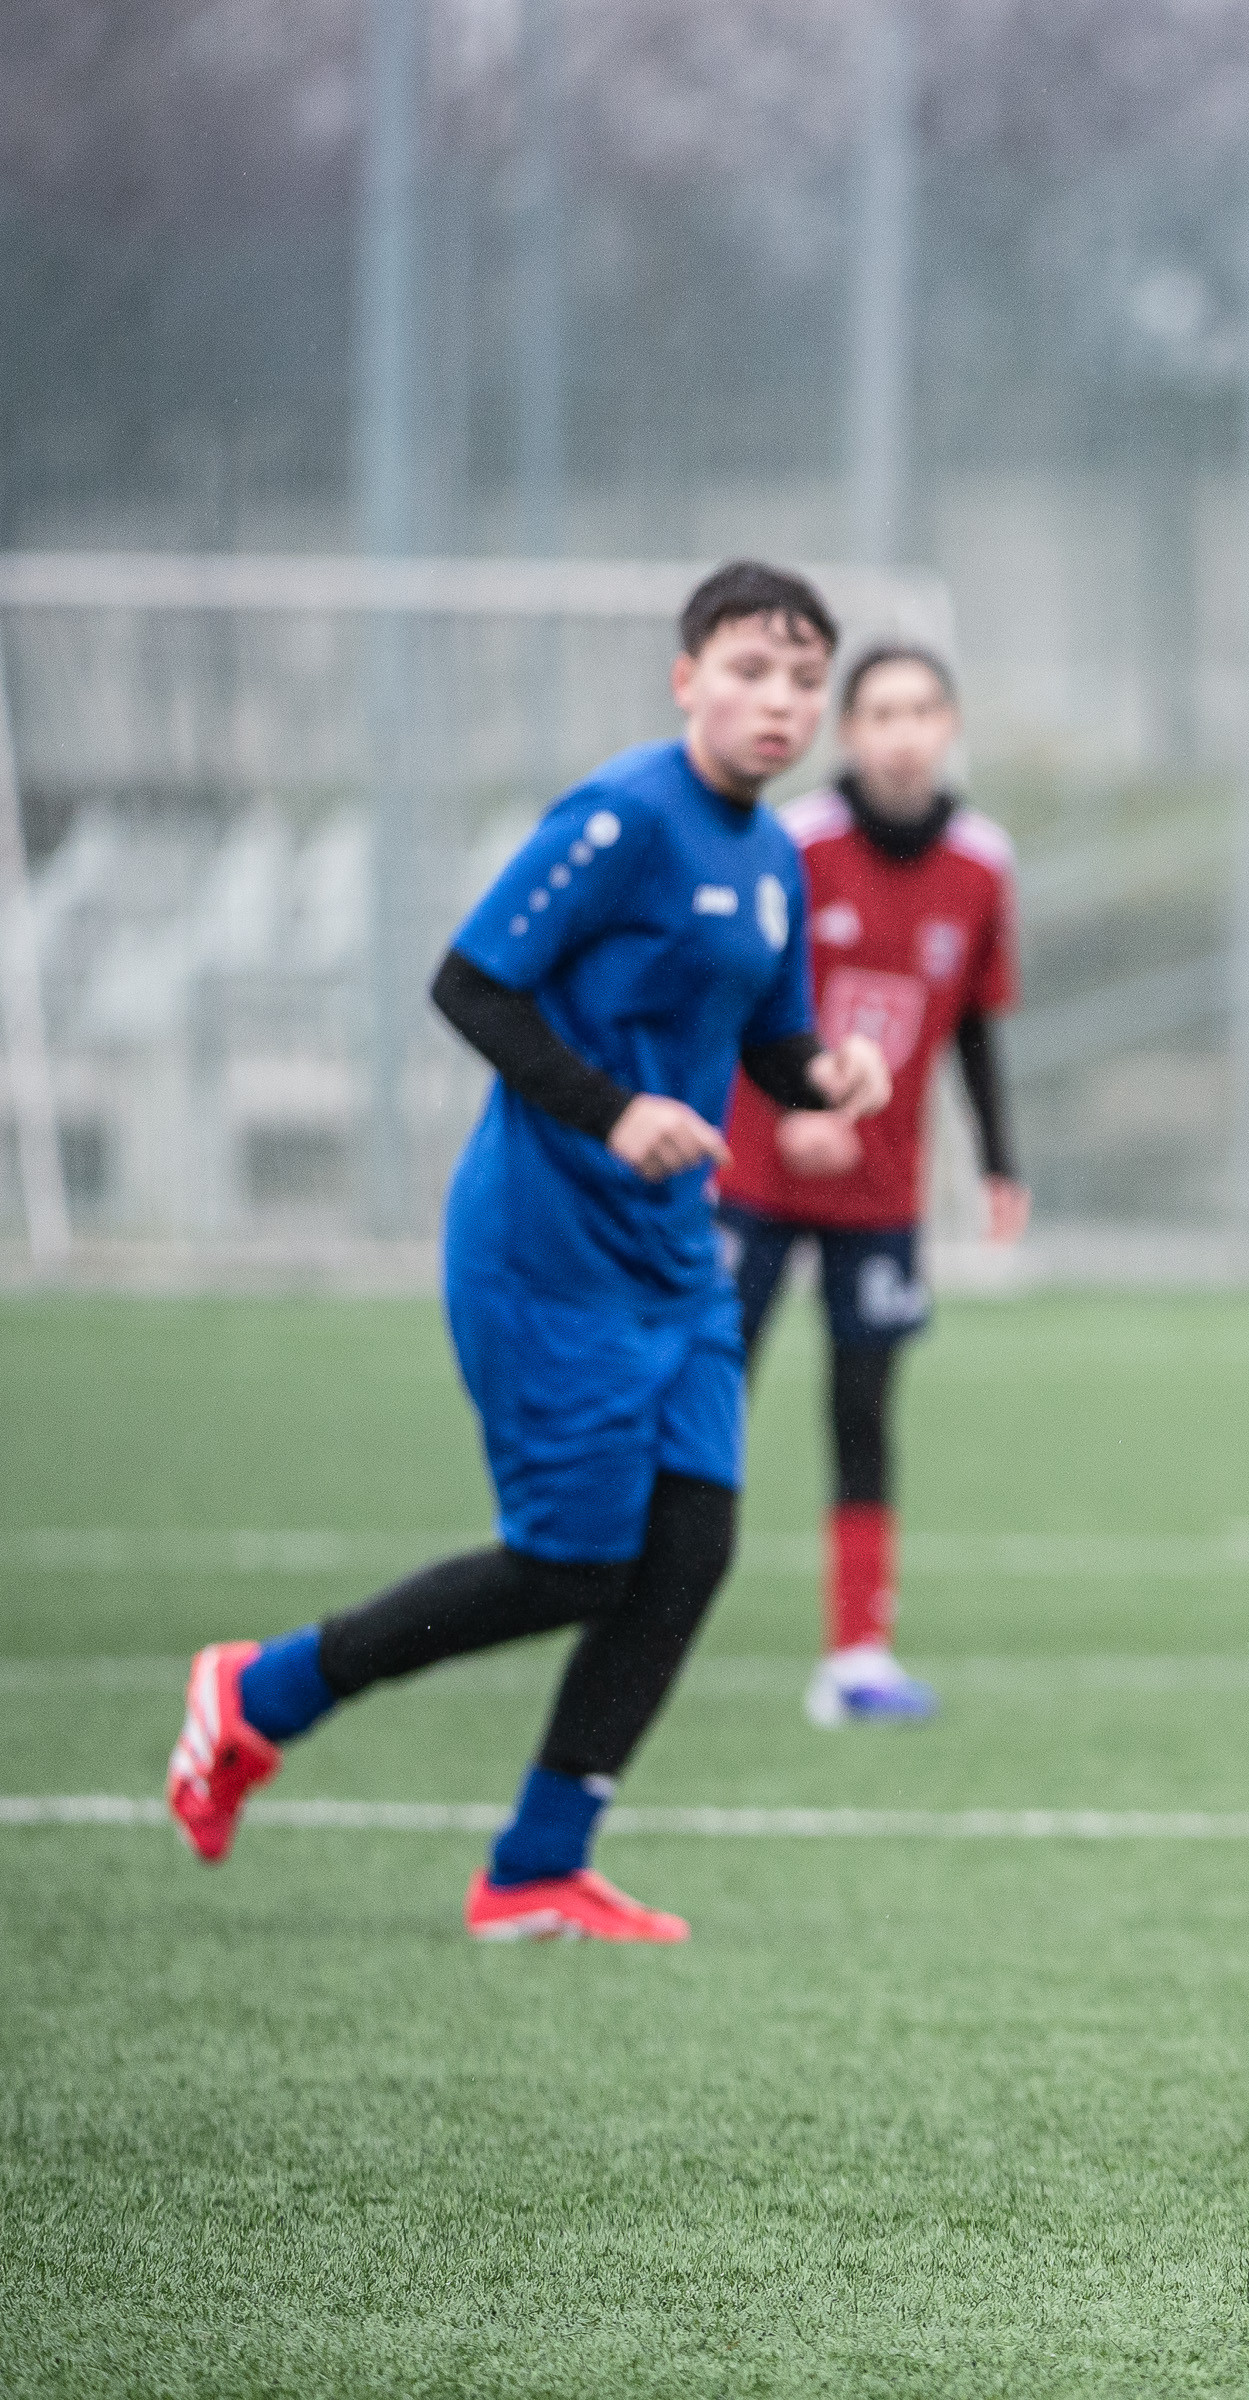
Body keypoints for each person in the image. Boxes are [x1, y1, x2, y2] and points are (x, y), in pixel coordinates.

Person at [163, 562, 894, 1942]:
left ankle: (537, 1867)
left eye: (805, 681)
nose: (780, 702)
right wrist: (613, 1113)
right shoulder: (623, 815)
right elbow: (469, 984)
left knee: (690, 1552)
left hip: (675, 1259)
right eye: (750, 670)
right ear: (686, 678)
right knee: (572, 1564)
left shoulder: (775, 857)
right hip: (545, 1248)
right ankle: (257, 1693)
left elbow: (770, 1040)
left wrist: (828, 1075)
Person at [713, 642, 1023, 1728]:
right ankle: (641, 1601)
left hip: (882, 1193)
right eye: (881, 712)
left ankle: (856, 1656)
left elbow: (975, 1023)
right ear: (848, 733)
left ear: (949, 727)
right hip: (754, 1177)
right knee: (707, 1393)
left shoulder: (983, 862)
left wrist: (999, 1163)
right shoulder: (793, 845)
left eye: (922, 710)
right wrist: (791, 1111)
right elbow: (737, 1001)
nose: (903, 732)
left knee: (863, 1408)